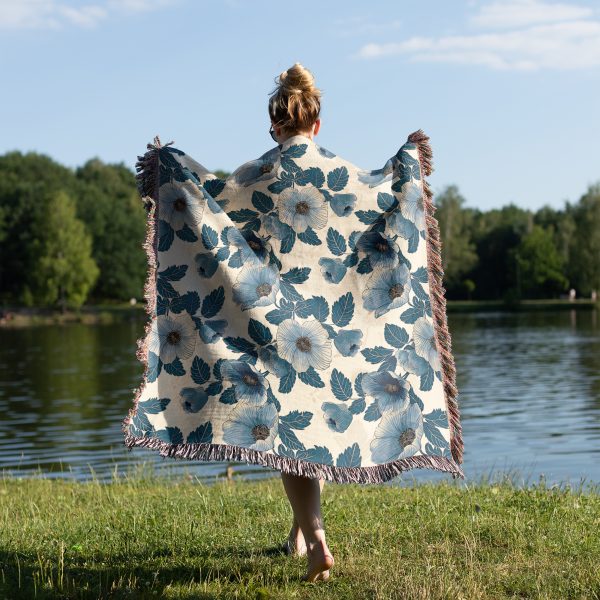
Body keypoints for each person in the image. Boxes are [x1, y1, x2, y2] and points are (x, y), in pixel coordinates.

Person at [267, 62, 334, 583]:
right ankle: (297, 534)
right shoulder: (339, 173)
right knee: (309, 429)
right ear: (317, 123)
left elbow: (212, 209)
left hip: (277, 321)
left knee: (289, 436)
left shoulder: (258, 174)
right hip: (330, 319)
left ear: (275, 127)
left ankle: (316, 541)